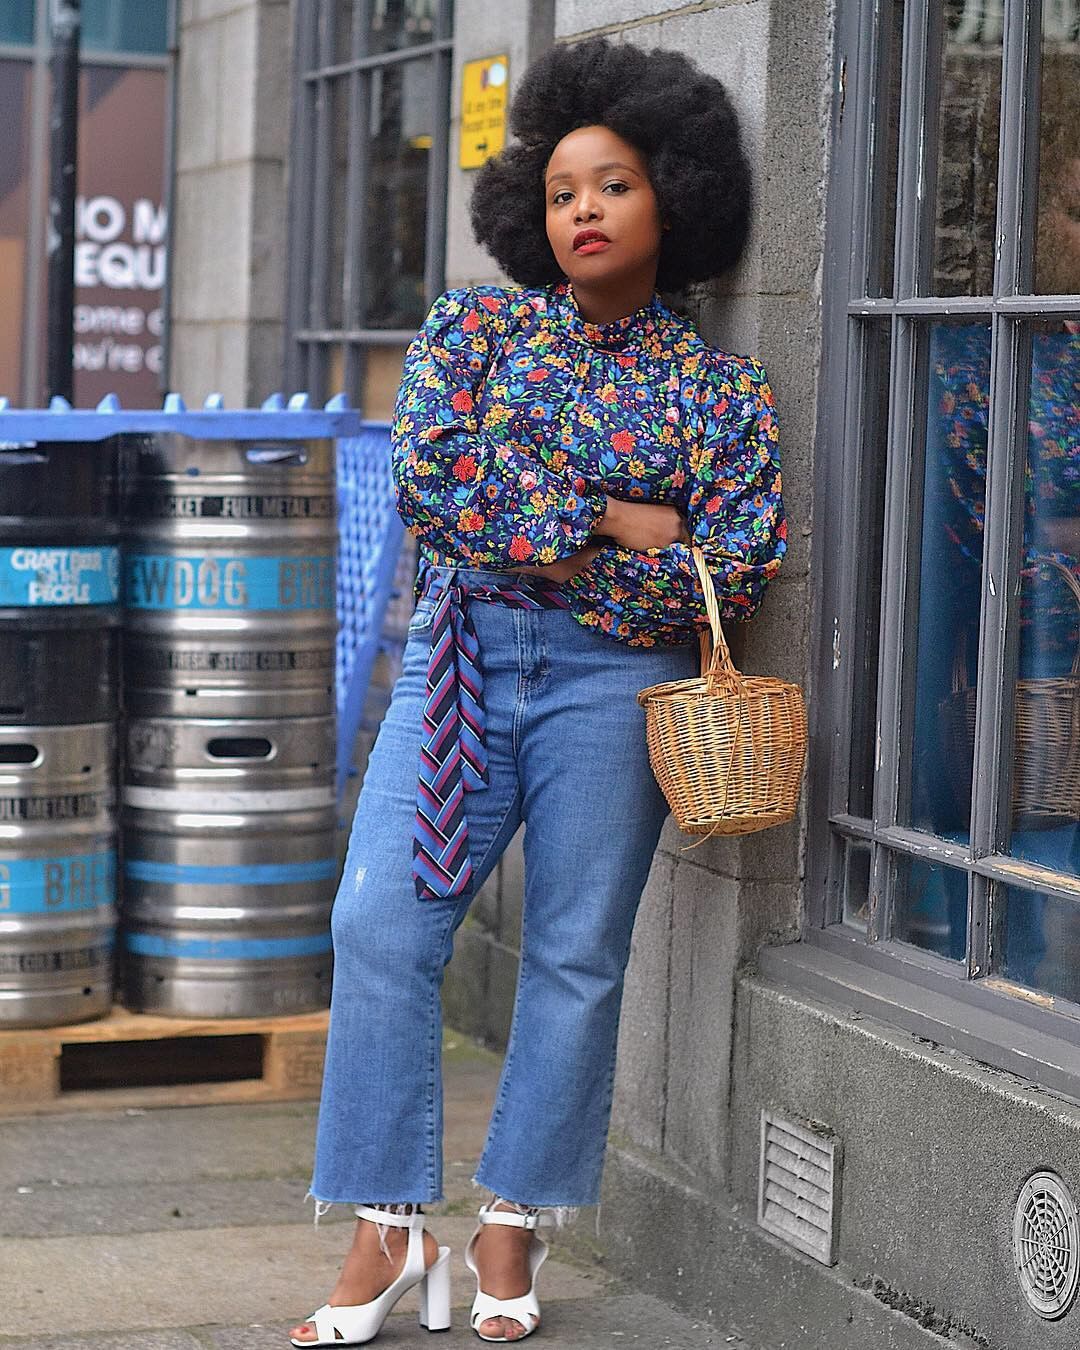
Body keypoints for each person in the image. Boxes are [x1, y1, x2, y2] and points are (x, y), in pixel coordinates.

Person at [290, 36, 786, 1347]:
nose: (584, 210)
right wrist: (614, 520)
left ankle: (513, 1221)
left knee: (576, 954)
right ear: (531, 209)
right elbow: (429, 479)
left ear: (673, 196)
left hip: (616, 687)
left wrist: (540, 533)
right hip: (458, 661)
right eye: (563, 190)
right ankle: (388, 1224)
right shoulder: (475, 329)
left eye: (613, 185)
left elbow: (726, 567)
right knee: (379, 923)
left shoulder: (719, 391)